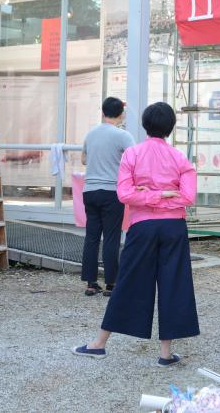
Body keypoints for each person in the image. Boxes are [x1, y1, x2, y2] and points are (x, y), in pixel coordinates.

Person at [73, 102, 199, 367]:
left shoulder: (132, 154)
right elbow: (187, 196)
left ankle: (99, 343)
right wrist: (164, 195)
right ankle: (165, 354)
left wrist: (148, 196)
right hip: (174, 226)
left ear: (144, 125)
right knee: (174, 284)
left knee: (128, 281)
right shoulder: (180, 158)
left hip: (142, 226)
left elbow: (125, 194)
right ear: (171, 127)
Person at [80, 97, 136, 297]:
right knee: (111, 237)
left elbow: (84, 159)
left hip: (89, 191)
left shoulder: (91, 134)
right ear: (121, 114)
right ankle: (111, 283)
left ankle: (90, 282)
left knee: (92, 237)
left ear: (103, 112)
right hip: (111, 191)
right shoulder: (123, 135)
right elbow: (134, 159)